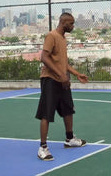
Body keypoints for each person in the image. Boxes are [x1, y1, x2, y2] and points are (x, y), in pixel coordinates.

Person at [35, 13, 89, 161]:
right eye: (71, 23)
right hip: (50, 80)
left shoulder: (63, 39)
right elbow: (44, 57)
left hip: (62, 80)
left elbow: (62, 63)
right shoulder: (51, 36)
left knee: (68, 109)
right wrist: (61, 75)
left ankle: (69, 139)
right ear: (64, 22)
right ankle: (43, 148)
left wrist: (76, 74)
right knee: (46, 113)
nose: (72, 26)